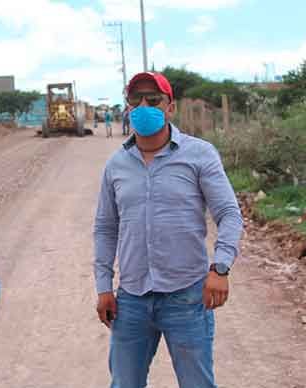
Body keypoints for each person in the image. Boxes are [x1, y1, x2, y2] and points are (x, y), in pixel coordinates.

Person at [93, 72, 243, 388]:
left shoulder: (199, 154)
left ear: (170, 107)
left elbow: (229, 213)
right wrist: (104, 286)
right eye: (136, 99)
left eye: (153, 99)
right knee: (124, 383)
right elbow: (106, 228)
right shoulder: (116, 165)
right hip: (131, 300)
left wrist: (221, 268)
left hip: (187, 297)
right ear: (127, 106)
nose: (143, 105)